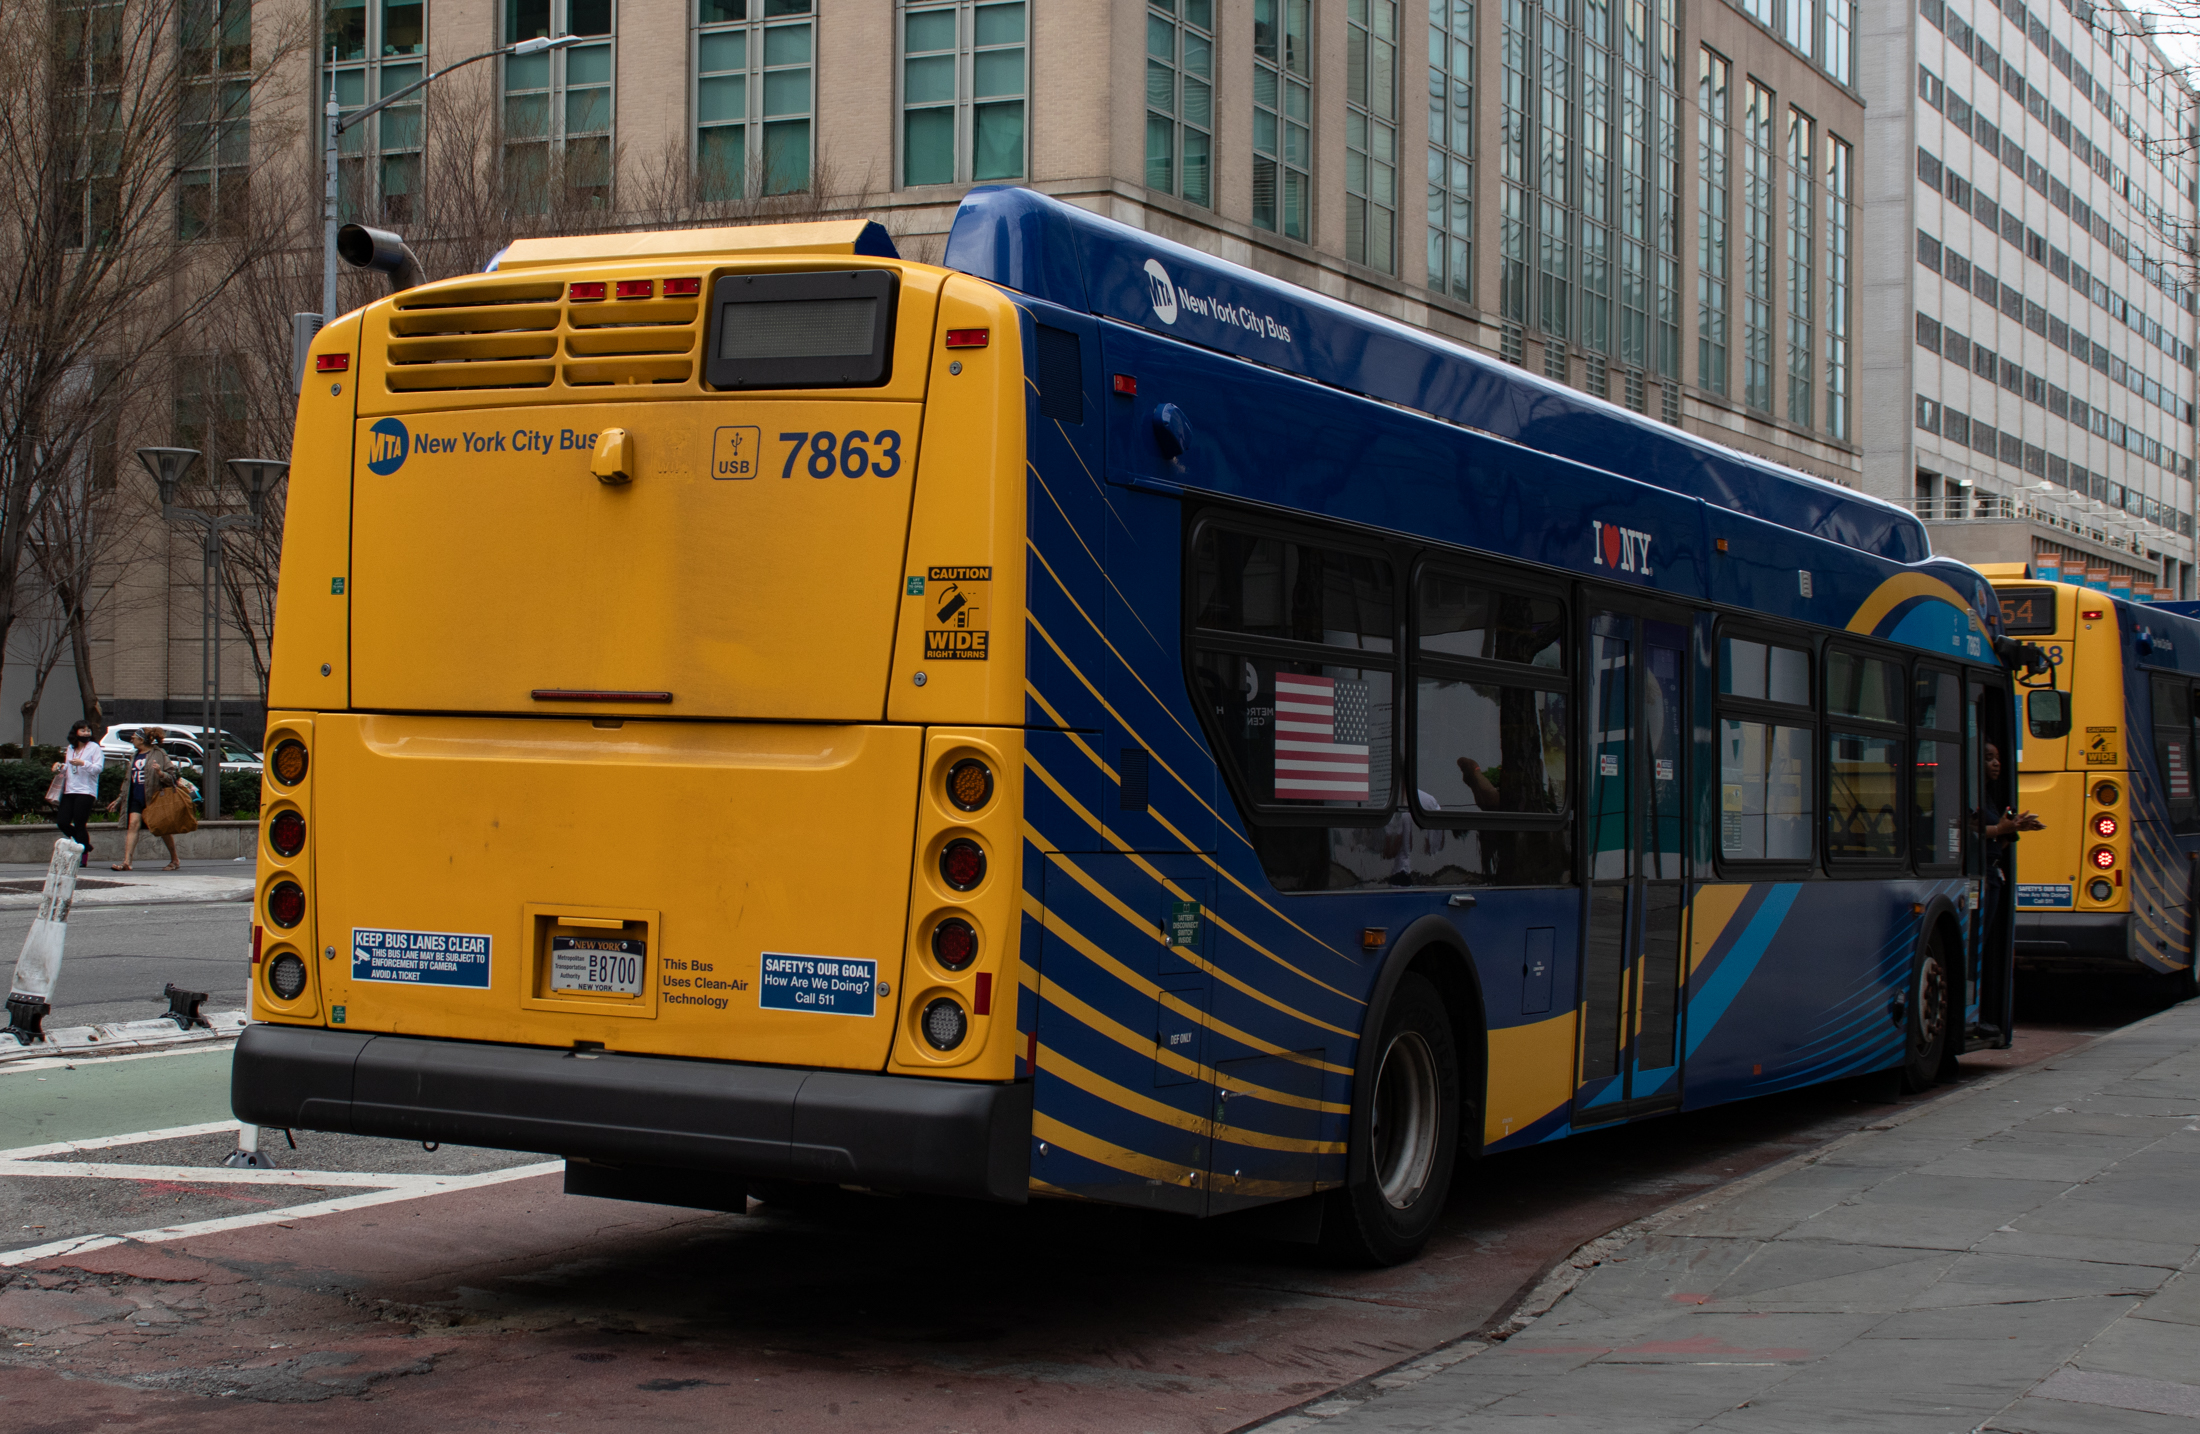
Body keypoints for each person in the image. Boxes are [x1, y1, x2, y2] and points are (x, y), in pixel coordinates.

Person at [104, 728, 180, 871]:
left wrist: (160, 772)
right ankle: (127, 862)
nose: (132, 739)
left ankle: (175, 859)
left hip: (153, 798)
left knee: (162, 829)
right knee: (133, 825)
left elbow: (171, 778)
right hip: (135, 797)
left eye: (134, 737)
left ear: (142, 739)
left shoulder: (159, 754)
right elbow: (128, 780)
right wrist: (120, 798)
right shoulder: (135, 756)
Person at [49, 720, 103, 866]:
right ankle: (85, 844)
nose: (86, 733)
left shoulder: (94, 748)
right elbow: (68, 767)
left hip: (86, 791)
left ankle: (83, 857)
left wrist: (83, 763)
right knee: (62, 822)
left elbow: (98, 768)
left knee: (80, 823)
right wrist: (60, 767)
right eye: (83, 730)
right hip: (69, 790)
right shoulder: (71, 748)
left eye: (88, 730)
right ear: (76, 732)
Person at [1977, 741, 2043, 840]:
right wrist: (2000, 829)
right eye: (1989, 758)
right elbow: (1967, 832)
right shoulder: (1969, 795)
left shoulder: (1986, 795)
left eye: (1998, 759)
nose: (1996, 763)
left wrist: (2015, 825)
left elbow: (1998, 844)